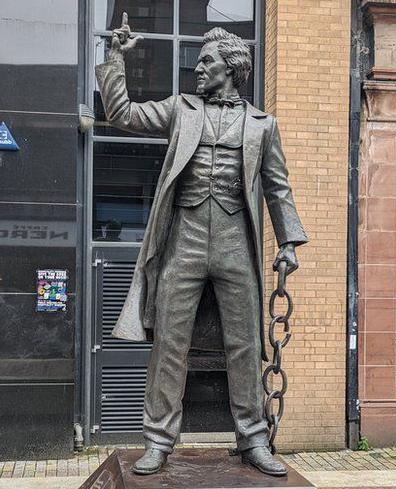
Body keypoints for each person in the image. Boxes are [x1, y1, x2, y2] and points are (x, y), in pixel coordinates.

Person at [95, 13, 308, 476]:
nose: (198, 67)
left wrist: (289, 241)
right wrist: (115, 58)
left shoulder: (262, 125)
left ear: (230, 67)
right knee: (170, 345)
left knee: (246, 346)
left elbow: (278, 187)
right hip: (184, 240)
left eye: (207, 61)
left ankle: (253, 438)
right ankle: (157, 440)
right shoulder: (180, 109)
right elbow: (122, 114)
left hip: (235, 243)